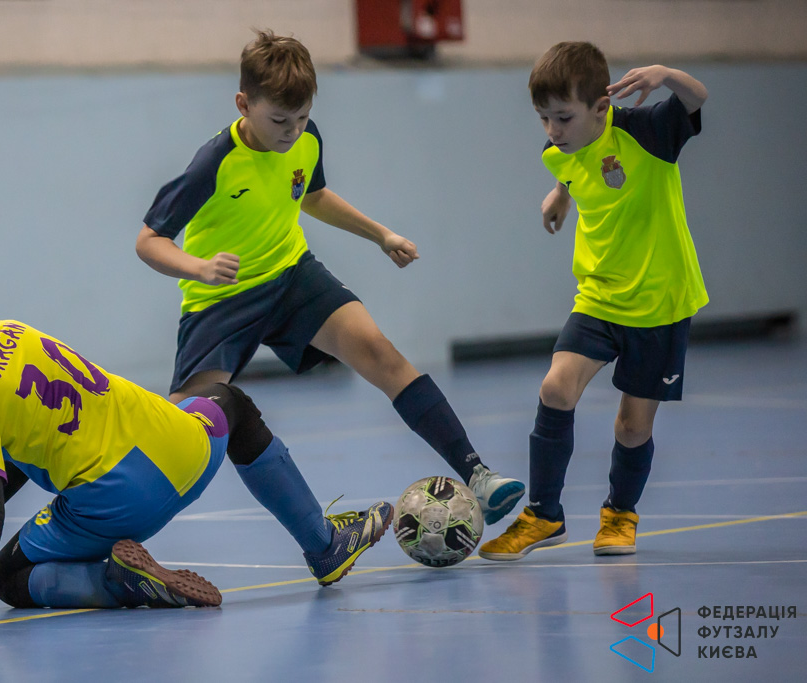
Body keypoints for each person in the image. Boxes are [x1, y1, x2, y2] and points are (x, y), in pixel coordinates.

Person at [135, 29, 524, 525]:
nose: (292, 131)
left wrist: (381, 234)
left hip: (291, 276)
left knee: (379, 352)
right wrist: (201, 268)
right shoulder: (214, 163)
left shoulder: (306, 137)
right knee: (188, 429)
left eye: (301, 117)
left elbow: (313, 196)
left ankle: (478, 476)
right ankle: (115, 528)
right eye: (279, 120)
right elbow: (149, 241)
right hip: (222, 301)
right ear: (243, 104)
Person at [0, 257, 392, 627]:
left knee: (11, 574)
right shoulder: (12, 331)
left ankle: (118, 582)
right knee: (228, 400)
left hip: (120, 502)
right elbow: (18, 441)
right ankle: (323, 545)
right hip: (184, 447)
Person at [478, 42, 709, 561]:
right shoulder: (556, 151)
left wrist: (667, 72)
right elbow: (573, 168)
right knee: (556, 387)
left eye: (563, 117)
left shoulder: (646, 132)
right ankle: (544, 514)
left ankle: (620, 513)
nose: (552, 130)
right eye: (543, 118)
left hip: (660, 302)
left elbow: (697, 98)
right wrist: (561, 195)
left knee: (632, 425)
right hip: (599, 295)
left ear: (601, 107)